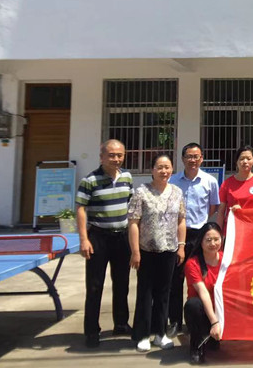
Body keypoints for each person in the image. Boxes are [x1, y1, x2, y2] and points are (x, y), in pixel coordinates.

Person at [75, 139, 133, 348]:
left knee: (122, 283)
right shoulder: (90, 180)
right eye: (111, 155)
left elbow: (130, 206)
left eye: (120, 155)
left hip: (122, 238)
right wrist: (84, 239)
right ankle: (92, 331)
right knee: (94, 286)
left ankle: (121, 324)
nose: (116, 159)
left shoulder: (127, 177)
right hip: (98, 238)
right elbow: (81, 208)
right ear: (101, 157)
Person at [127, 154, 186, 352]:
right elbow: (133, 222)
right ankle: (143, 335)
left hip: (169, 250)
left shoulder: (177, 192)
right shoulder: (141, 192)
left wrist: (181, 246)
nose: (164, 171)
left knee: (164, 293)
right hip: (146, 250)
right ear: (152, 169)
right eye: (160, 167)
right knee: (145, 293)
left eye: (167, 167)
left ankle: (160, 334)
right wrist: (135, 251)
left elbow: (181, 220)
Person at [167, 142, 220, 337]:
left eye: (196, 156)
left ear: (202, 159)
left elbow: (213, 207)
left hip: (200, 236)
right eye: (189, 156)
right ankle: (174, 321)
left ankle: (196, 319)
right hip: (177, 235)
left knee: (201, 279)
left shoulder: (210, 181)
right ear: (182, 159)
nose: (192, 160)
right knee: (175, 280)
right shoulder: (173, 181)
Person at [184, 222, 225, 365]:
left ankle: (213, 337)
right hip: (203, 314)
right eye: (208, 240)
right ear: (200, 242)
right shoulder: (192, 264)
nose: (213, 243)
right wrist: (214, 322)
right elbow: (203, 292)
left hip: (221, 311)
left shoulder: (226, 260)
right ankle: (196, 347)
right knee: (193, 304)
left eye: (216, 239)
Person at [216, 145, 253, 227]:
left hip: (252, 227)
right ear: (236, 162)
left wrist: (243, 213)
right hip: (232, 228)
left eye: (248, 158)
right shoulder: (227, 184)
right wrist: (218, 231)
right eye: (241, 159)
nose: (245, 161)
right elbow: (221, 212)